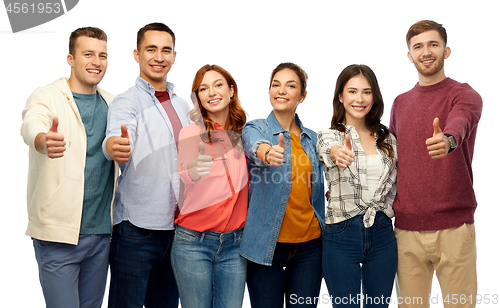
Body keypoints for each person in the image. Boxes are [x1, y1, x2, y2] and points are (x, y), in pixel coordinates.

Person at [20, 27, 117, 308]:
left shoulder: (112, 103)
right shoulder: (47, 96)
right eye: (88, 54)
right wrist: (42, 140)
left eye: (102, 55)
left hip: (100, 235)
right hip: (57, 235)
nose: (96, 62)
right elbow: (32, 123)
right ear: (70, 59)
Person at [389, 20, 482, 308]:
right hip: (406, 230)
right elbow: (389, 160)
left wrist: (449, 141)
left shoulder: (464, 95)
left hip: (454, 229)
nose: (426, 52)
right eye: (418, 46)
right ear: (410, 55)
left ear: (446, 50)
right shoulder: (400, 103)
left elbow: (461, 122)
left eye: (433, 45)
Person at [103, 22, 190, 308]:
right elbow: (117, 135)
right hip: (136, 231)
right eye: (150, 49)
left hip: (177, 230)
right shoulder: (126, 102)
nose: (159, 57)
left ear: (174, 57)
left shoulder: (182, 106)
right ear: (137, 54)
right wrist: (116, 145)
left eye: (166, 50)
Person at [240, 62, 325, 308]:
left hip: (310, 247)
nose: (281, 90)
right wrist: (266, 152)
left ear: (303, 95)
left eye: (291, 85)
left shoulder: (312, 138)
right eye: (276, 85)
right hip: (266, 245)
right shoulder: (257, 127)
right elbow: (253, 144)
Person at [317, 64, 398, 308]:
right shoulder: (329, 135)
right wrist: (339, 153)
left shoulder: (389, 139)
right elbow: (329, 150)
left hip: (383, 232)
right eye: (352, 91)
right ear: (341, 97)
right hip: (342, 234)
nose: (359, 99)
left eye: (366, 91)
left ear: (374, 97)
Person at [170, 64, 248, 308]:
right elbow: (185, 170)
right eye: (203, 88)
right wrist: (195, 168)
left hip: (235, 246)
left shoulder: (245, 134)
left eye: (218, 85)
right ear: (198, 97)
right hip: (194, 244)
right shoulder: (191, 132)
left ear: (231, 90)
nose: (211, 92)